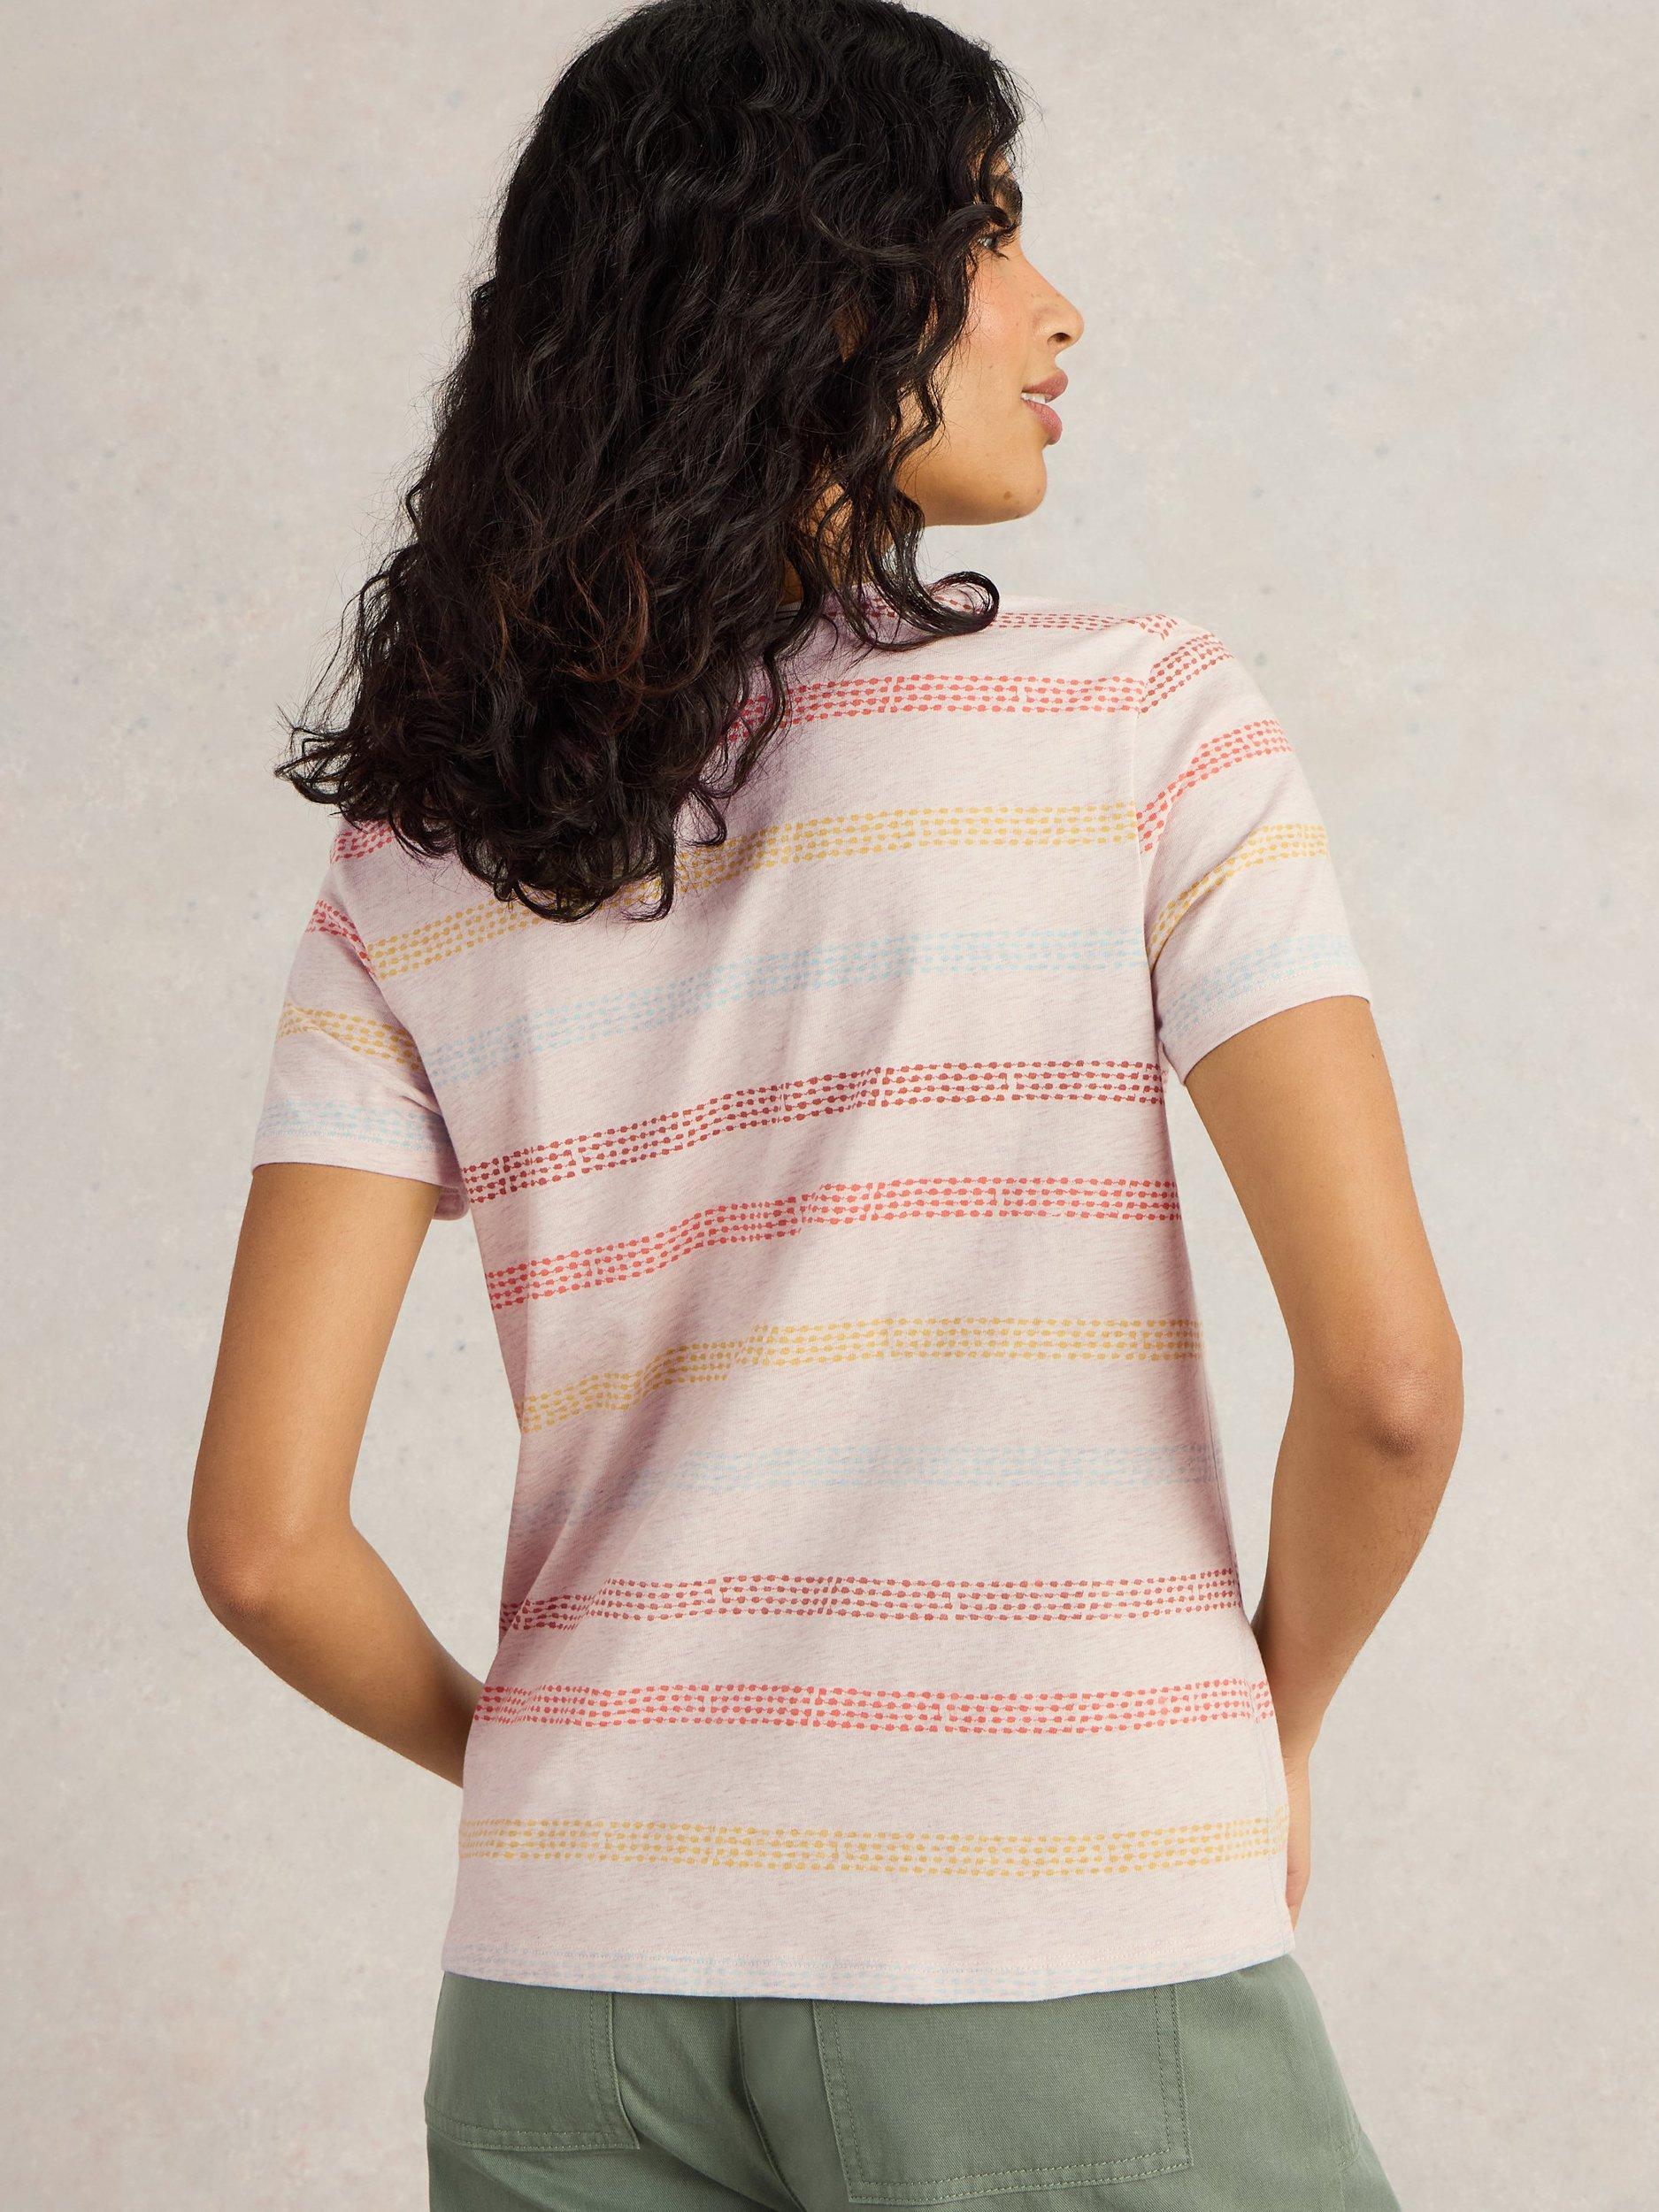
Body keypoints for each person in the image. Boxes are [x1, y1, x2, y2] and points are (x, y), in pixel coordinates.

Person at [189, 2, 1462, 2204]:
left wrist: (563, 1788)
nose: (1055, 307)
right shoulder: (1142, 725)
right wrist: (1272, 1726)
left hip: (562, 1998)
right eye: (983, 234)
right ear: (809, 292)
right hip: (1053, 1934)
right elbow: (1387, 1385)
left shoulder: (421, 853)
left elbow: (260, 1543)